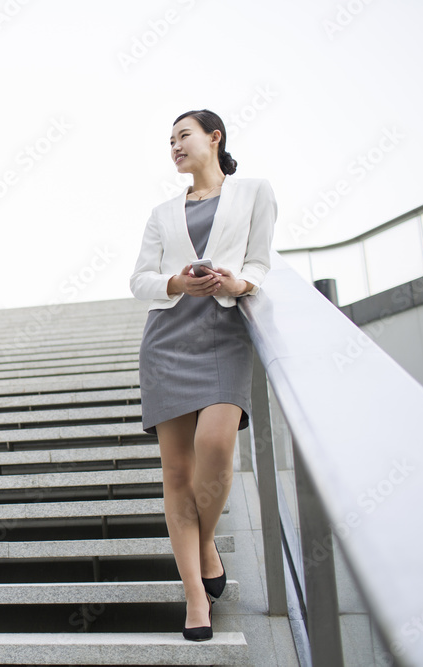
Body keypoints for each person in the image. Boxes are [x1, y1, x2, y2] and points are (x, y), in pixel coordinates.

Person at [128, 109, 278, 641]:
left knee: (216, 447)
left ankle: (206, 539)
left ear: (214, 138)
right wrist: (174, 280)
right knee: (176, 475)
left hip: (224, 336)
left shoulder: (255, 192)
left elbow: (261, 263)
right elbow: (139, 279)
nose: (174, 146)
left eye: (183, 136)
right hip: (168, 343)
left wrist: (236, 283)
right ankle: (195, 591)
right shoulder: (162, 212)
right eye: (168, 140)